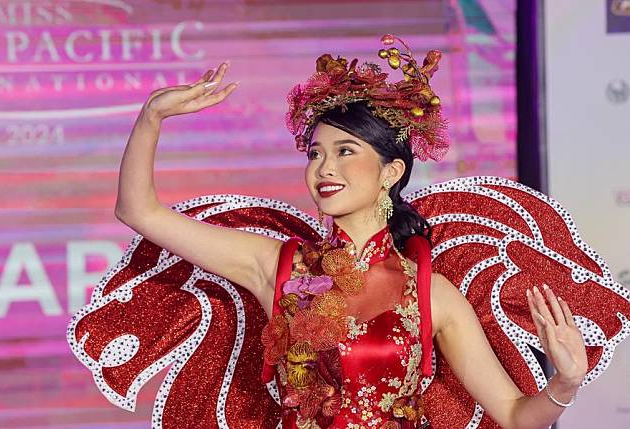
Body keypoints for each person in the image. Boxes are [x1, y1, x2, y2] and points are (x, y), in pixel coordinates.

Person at [108, 35, 592, 429]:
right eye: (315, 153)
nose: (323, 166)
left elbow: (515, 415)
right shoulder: (275, 266)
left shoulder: (430, 294)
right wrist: (152, 115)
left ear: (389, 171)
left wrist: (563, 386)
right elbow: (139, 211)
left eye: (345, 151)